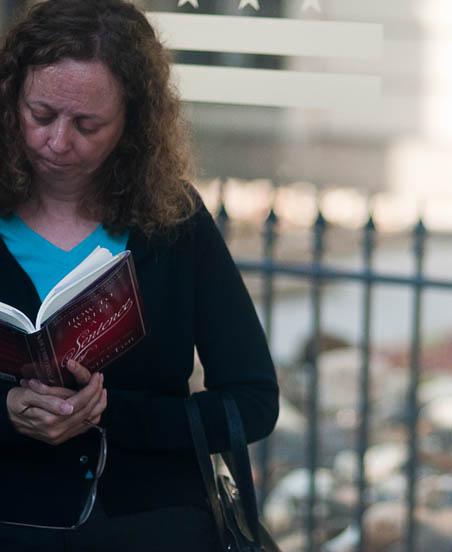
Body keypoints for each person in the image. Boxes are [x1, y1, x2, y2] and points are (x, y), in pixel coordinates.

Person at [0, 0, 279, 550]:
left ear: (133, 122)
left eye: (88, 125)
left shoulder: (173, 221)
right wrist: (7, 412)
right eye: (40, 115)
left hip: (152, 527)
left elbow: (253, 402)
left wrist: (109, 416)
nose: (57, 142)